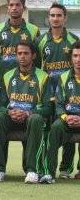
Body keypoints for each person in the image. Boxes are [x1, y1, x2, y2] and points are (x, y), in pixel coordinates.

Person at [0, 41, 52, 183]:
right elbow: (1, 105)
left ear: (33, 55)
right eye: (19, 53)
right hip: (11, 118)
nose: (22, 56)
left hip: (31, 119)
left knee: (35, 119)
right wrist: (9, 112)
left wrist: (28, 113)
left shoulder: (43, 77)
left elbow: (49, 108)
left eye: (26, 53)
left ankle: (32, 170)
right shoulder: (7, 76)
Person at [35, 2, 79, 179]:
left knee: (71, 130)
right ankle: (44, 167)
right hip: (48, 96)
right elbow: (36, 69)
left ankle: (65, 169)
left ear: (65, 18)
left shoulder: (74, 41)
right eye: (52, 15)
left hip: (69, 95)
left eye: (59, 15)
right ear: (48, 18)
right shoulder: (41, 41)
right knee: (49, 133)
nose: (55, 18)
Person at [40, 41, 80, 184]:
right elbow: (59, 103)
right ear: (71, 58)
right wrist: (66, 117)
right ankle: (48, 173)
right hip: (67, 118)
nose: (78, 59)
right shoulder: (63, 77)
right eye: (75, 56)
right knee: (55, 128)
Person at [0, 0, 40, 80]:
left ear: (24, 8)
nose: (14, 8)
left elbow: (36, 58)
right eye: (11, 5)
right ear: (7, 8)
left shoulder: (34, 30)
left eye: (18, 5)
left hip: (26, 81)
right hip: (2, 81)